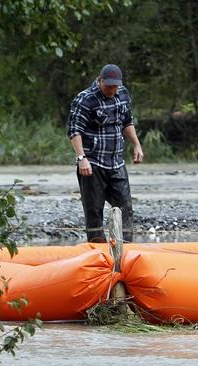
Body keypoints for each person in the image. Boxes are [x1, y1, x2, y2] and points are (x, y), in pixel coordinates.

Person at [67, 64, 144, 243]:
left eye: (115, 86)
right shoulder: (84, 99)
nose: (112, 90)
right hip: (92, 163)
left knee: (125, 208)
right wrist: (81, 158)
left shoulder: (123, 94)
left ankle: (125, 250)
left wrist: (137, 145)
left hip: (116, 162)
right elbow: (74, 131)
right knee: (94, 211)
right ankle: (97, 253)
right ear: (99, 80)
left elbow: (127, 122)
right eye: (108, 86)